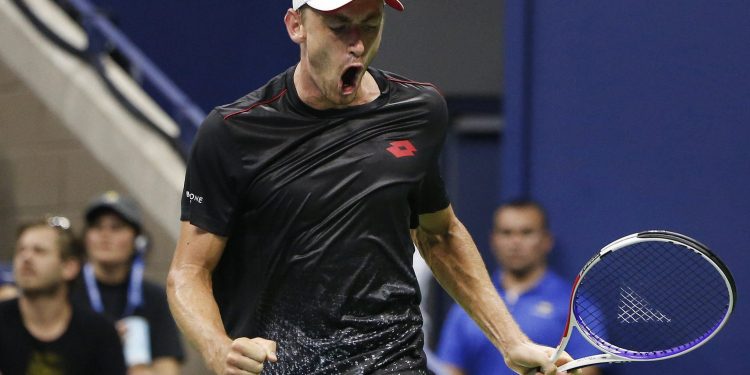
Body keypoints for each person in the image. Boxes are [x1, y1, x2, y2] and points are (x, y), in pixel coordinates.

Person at [167, 1, 577, 374]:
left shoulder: (418, 111)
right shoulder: (232, 131)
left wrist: (512, 341)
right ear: (297, 26)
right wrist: (218, 348)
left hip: (392, 362)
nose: (357, 45)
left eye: (370, 25)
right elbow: (188, 272)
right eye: (339, 26)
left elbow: (440, 234)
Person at [437, 199, 602, 375]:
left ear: (546, 240)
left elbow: (588, 371)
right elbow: (450, 369)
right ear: (494, 240)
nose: (515, 242)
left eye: (526, 232)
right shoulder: (467, 306)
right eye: (506, 233)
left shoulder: (576, 306)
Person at [70, 191, 185, 375]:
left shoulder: (153, 297)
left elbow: (168, 369)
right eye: (97, 227)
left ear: (138, 241)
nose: (105, 235)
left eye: (116, 227)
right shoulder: (67, 291)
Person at [0, 216, 126, 374]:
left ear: (69, 267)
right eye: (20, 250)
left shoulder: (99, 333)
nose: (26, 258)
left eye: (39, 251)